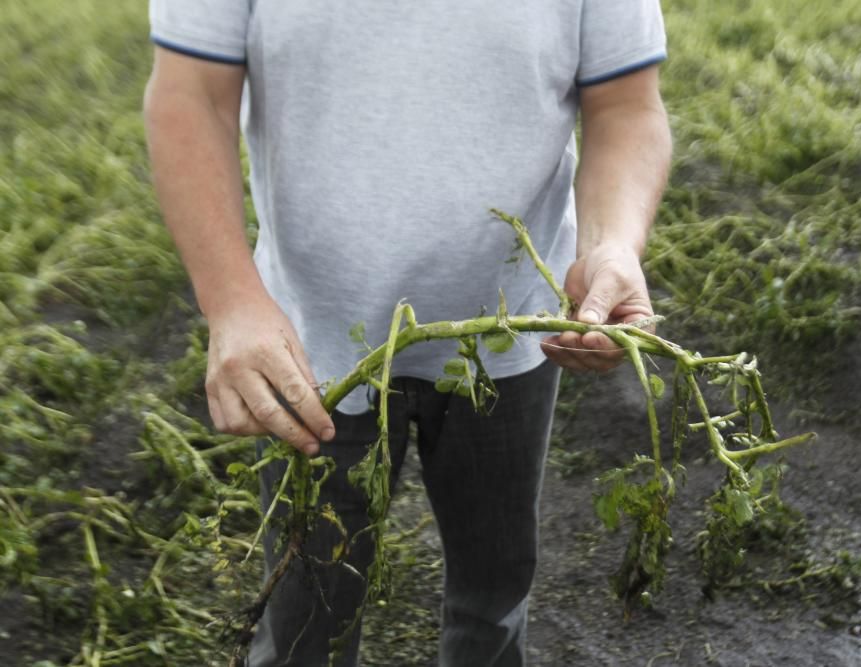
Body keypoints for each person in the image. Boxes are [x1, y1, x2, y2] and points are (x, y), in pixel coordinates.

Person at [143, 2, 672, 665]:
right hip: (306, 348)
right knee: (307, 617)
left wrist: (614, 243)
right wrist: (231, 301)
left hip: (515, 337)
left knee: (494, 600)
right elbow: (191, 94)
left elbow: (625, 104)